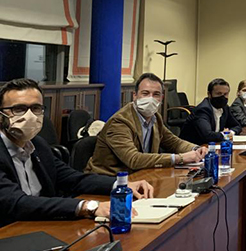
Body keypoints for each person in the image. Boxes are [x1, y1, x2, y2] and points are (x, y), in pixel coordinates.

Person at [0, 79, 154, 227]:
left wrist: (122, 185)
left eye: (36, 108)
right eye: (18, 109)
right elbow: (16, 202)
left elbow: (74, 179)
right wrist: (89, 206)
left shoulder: (38, 145)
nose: (29, 115)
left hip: (41, 224)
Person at [86, 73, 207, 176]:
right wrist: (180, 158)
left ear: (162, 98)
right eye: (145, 93)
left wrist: (197, 149)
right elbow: (133, 159)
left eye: (156, 94)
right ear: (135, 96)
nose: (150, 99)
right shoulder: (120, 122)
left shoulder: (155, 118)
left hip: (141, 174)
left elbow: (173, 142)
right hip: (110, 180)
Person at [180, 78, 242, 145]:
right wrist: (226, 135)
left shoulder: (225, 108)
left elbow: (237, 126)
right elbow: (208, 136)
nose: (222, 97)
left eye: (225, 94)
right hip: (191, 147)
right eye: (219, 93)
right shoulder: (203, 110)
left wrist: (231, 133)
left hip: (210, 146)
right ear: (209, 94)